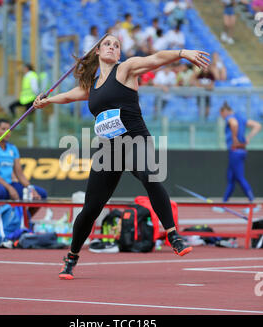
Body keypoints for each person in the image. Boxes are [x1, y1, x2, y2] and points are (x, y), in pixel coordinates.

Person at [34, 34, 210, 280]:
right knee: (91, 208)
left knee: (149, 176)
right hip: (108, 150)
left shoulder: (126, 69)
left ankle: (173, 235)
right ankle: (71, 257)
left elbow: (156, 58)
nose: (112, 47)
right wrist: (46, 101)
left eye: (117, 45)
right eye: (107, 43)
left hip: (135, 140)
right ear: (97, 51)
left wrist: (181, 53)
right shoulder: (92, 87)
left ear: (119, 53)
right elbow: (69, 95)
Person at [0, 119, 47, 216]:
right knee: (0, 192)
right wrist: (10, 188)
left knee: (40, 194)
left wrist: (31, 189)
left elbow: (20, 174)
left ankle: (24, 221)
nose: (6, 132)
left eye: (9, 130)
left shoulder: (12, 148)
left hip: (8, 184)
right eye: (3, 129)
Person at [219, 102, 262, 206]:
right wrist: (248, 138)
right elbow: (257, 125)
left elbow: (234, 124)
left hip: (235, 151)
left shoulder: (230, 117)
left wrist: (234, 137)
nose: (222, 116)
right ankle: (224, 203)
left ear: (224, 111)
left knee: (239, 177)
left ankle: (252, 201)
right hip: (241, 150)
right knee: (231, 177)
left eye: (221, 114)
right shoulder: (240, 117)